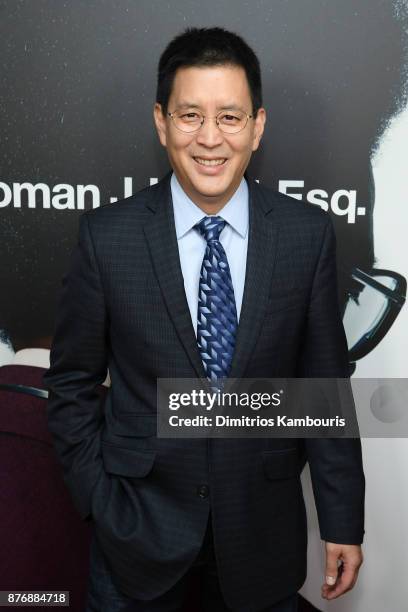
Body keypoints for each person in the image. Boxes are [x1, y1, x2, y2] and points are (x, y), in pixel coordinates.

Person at [43, 27, 365, 612]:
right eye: (190, 115)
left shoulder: (305, 235)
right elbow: (70, 384)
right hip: (135, 537)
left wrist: (343, 521)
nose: (210, 138)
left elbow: (324, 393)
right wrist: (98, 498)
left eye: (230, 117)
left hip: (261, 534)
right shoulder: (106, 237)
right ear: (161, 122)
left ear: (258, 126)